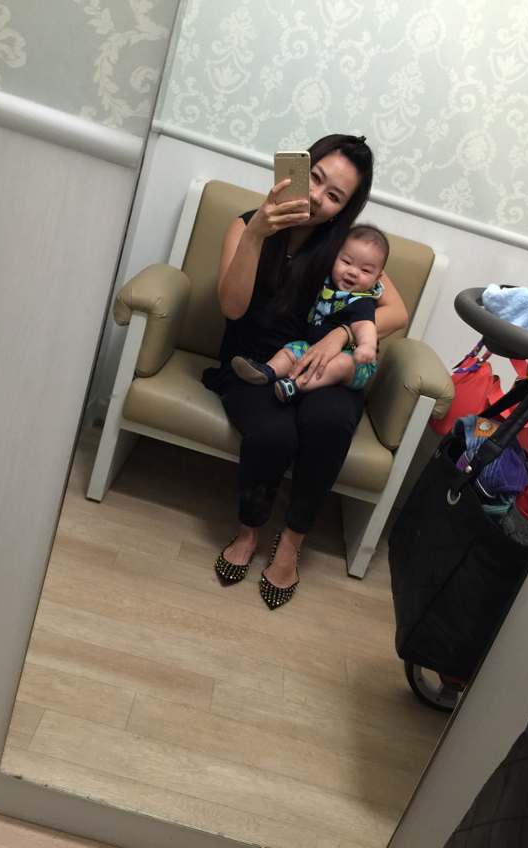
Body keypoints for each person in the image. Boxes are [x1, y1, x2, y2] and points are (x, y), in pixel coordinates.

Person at [201, 134, 408, 609]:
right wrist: (257, 234)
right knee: (274, 434)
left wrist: (341, 335)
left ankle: (291, 542)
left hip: (320, 363)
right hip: (255, 364)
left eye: (334, 195)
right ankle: (250, 531)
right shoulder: (246, 225)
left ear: (344, 210)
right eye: (314, 178)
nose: (316, 197)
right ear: (297, 170)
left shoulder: (342, 249)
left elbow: (396, 310)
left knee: (330, 422)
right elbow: (232, 308)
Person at [231, 224, 388, 403]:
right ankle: (267, 371)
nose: (352, 272)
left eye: (365, 270)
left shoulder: (361, 300)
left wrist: (366, 346)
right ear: (334, 258)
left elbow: (365, 325)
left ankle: (295, 386)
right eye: (346, 262)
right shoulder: (328, 283)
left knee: (340, 365)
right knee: (290, 350)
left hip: (354, 360)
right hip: (313, 348)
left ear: (377, 278)